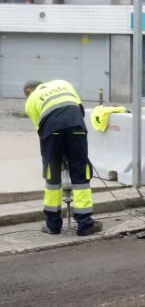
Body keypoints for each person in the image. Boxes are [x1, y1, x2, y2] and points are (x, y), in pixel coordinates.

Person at [24, 79, 102, 236]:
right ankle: (85, 223)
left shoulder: (30, 101)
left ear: (29, 92)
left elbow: (40, 130)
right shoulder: (63, 83)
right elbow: (79, 110)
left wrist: (53, 157)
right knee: (80, 173)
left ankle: (52, 225)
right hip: (76, 126)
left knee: (52, 177)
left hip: (51, 132)